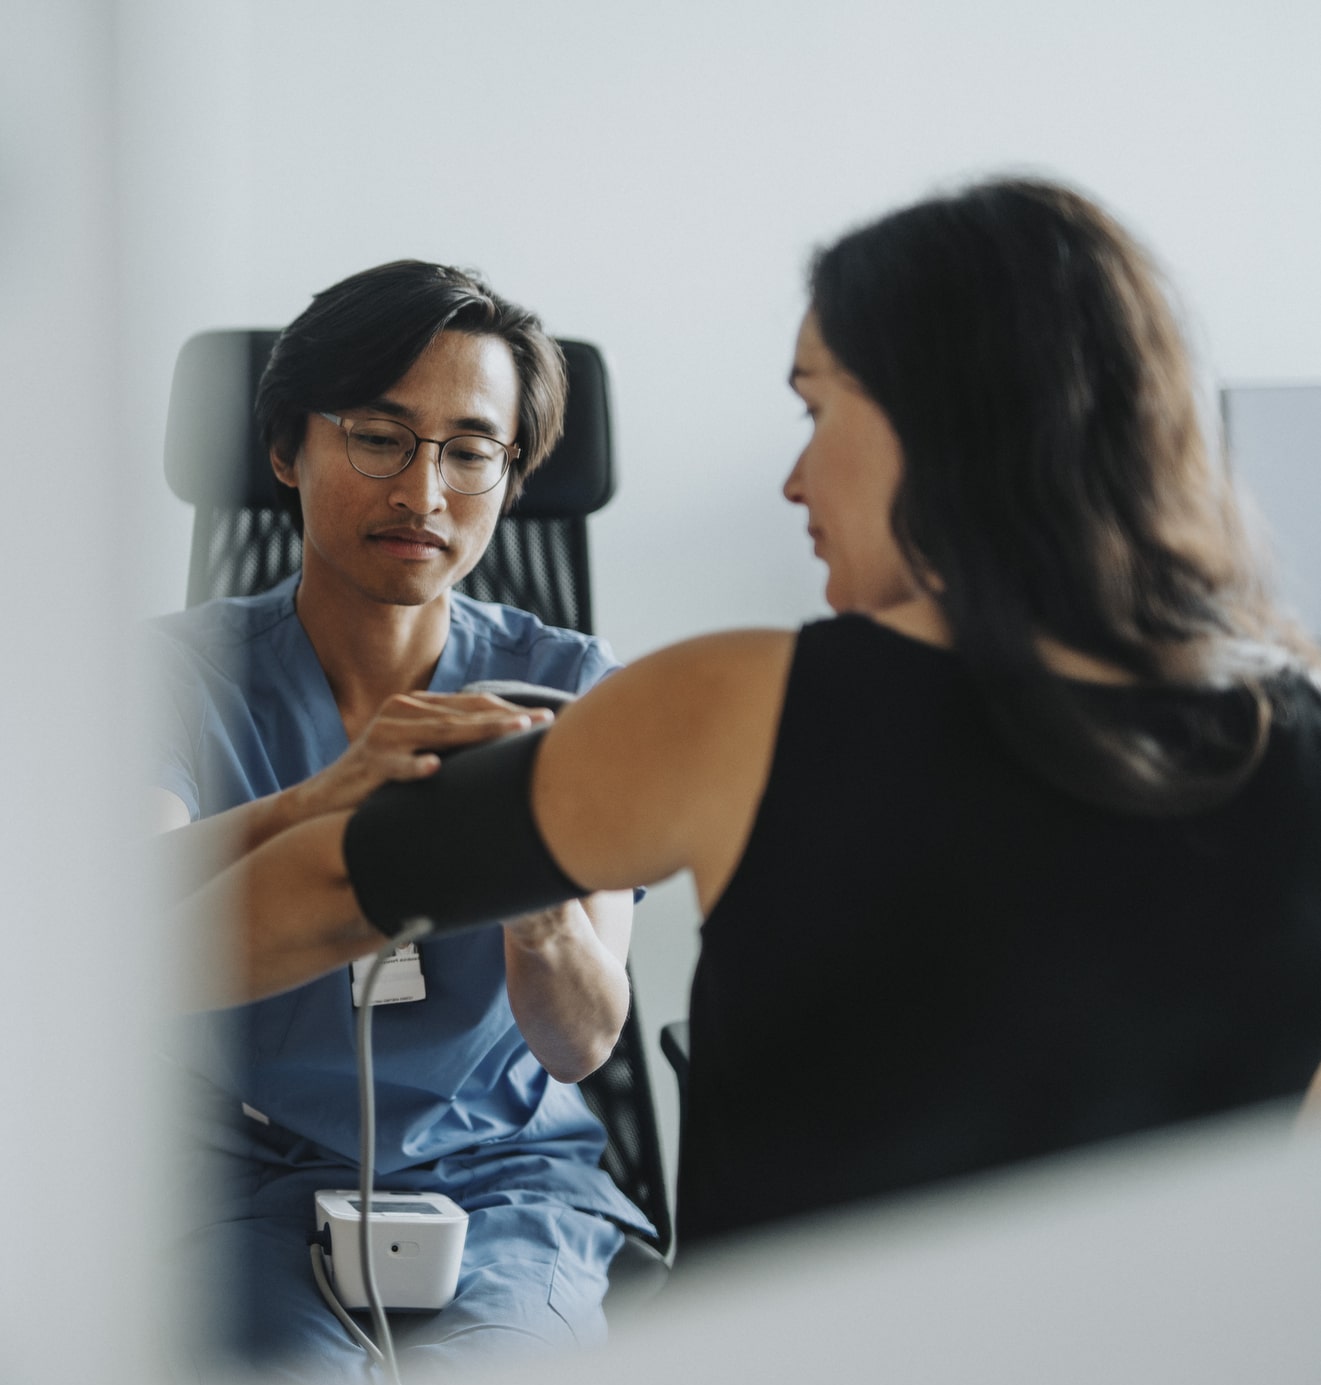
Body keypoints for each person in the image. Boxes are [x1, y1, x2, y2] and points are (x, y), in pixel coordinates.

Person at [196, 179, 1321, 1252]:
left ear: (945, 421)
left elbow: (289, 907)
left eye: (816, 408)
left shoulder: (730, 704)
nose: (793, 477)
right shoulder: (1300, 734)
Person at [151, 261, 649, 1385]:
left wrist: (533, 895)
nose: (425, 493)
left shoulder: (572, 690)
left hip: (505, 1177)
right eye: (380, 436)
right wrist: (325, 796)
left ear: (511, 480)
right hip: (247, 1179)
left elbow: (582, 1042)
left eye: (471, 451)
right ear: (287, 449)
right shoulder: (175, 677)